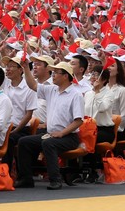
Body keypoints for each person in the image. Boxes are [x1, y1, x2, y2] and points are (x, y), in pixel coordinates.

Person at [15, 60, 84, 190]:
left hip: (69, 136)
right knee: (24, 142)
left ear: (66, 76)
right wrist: (25, 69)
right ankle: (25, 178)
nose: (53, 75)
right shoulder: (52, 90)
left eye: (56, 73)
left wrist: (62, 133)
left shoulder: (76, 95)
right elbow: (33, 85)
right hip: (51, 134)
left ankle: (55, 180)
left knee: (48, 143)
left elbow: (78, 121)